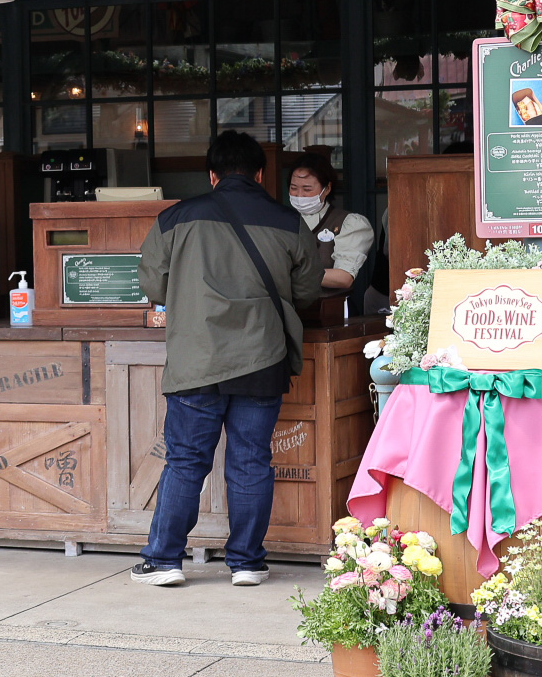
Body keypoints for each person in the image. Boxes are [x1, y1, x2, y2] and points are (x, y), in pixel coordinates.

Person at [131, 130, 321, 588]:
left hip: (196, 360)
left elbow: (153, 286)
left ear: (212, 175)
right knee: (251, 460)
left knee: (186, 461)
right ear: (260, 174)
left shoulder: (175, 219)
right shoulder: (288, 222)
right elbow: (306, 293)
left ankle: (164, 561)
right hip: (262, 358)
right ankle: (247, 563)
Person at [286, 155, 377, 310]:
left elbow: (343, 277)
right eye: (294, 188)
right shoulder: (280, 221)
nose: (299, 195)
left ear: (327, 188)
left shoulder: (348, 223)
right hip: (287, 310)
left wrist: (286, 274)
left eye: (307, 189)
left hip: (330, 312)